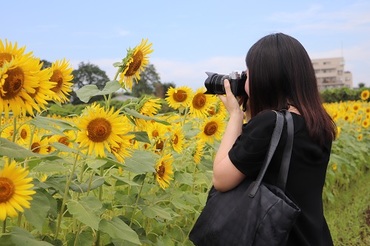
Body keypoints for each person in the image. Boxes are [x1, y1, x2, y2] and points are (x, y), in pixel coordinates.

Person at [213, 33, 336, 245]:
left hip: (279, 238)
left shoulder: (269, 123)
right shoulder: (318, 122)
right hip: (313, 236)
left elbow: (221, 179)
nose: (244, 82)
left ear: (265, 78)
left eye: (248, 75)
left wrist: (235, 115)